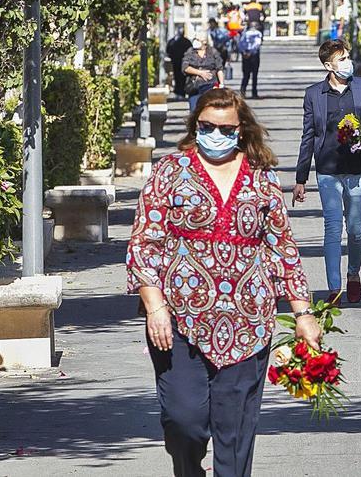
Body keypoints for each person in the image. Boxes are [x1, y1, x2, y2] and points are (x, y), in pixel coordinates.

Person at [126, 87, 322, 477]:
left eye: (225, 128)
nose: (216, 134)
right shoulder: (170, 171)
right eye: (207, 126)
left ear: (241, 129)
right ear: (196, 125)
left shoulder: (262, 179)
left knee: (234, 436)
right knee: (184, 423)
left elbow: (282, 246)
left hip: (248, 323)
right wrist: (155, 307)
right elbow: (143, 243)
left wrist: (303, 312)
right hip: (180, 323)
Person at [293, 39, 361, 304]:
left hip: (357, 170)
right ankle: (334, 288)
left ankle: (353, 274)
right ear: (328, 65)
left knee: (356, 228)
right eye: (342, 59)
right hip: (328, 170)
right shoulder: (314, 94)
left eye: (348, 57)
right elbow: (308, 136)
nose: (348, 62)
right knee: (333, 228)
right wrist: (301, 178)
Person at [182, 29, 227, 111]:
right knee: (194, 111)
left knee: (209, 110)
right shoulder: (190, 52)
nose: (195, 41)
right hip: (195, 86)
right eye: (195, 39)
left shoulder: (212, 52)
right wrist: (200, 73)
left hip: (210, 86)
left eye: (197, 39)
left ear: (204, 41)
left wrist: (221, 84)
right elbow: (185, 67)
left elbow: (219, 68)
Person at [237, 20, 264, 99]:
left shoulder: (244, 33)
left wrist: (243, 52)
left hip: (245, 55)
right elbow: (257, 44)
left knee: (246, 75)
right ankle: (254, 93)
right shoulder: (258, 33)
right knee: (254, 75)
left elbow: (240, 44)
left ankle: (243, 91)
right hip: (254, 55)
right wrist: (251, 52)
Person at [167, 29, 192, 99]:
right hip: (184, 63)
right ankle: (182, 92)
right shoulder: (187, 41)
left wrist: (171, 57)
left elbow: (168, 50)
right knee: (183, 78)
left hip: (176, 62)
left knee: (177, 77)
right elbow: (191, 51)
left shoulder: (173, 41)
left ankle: (178, 92)